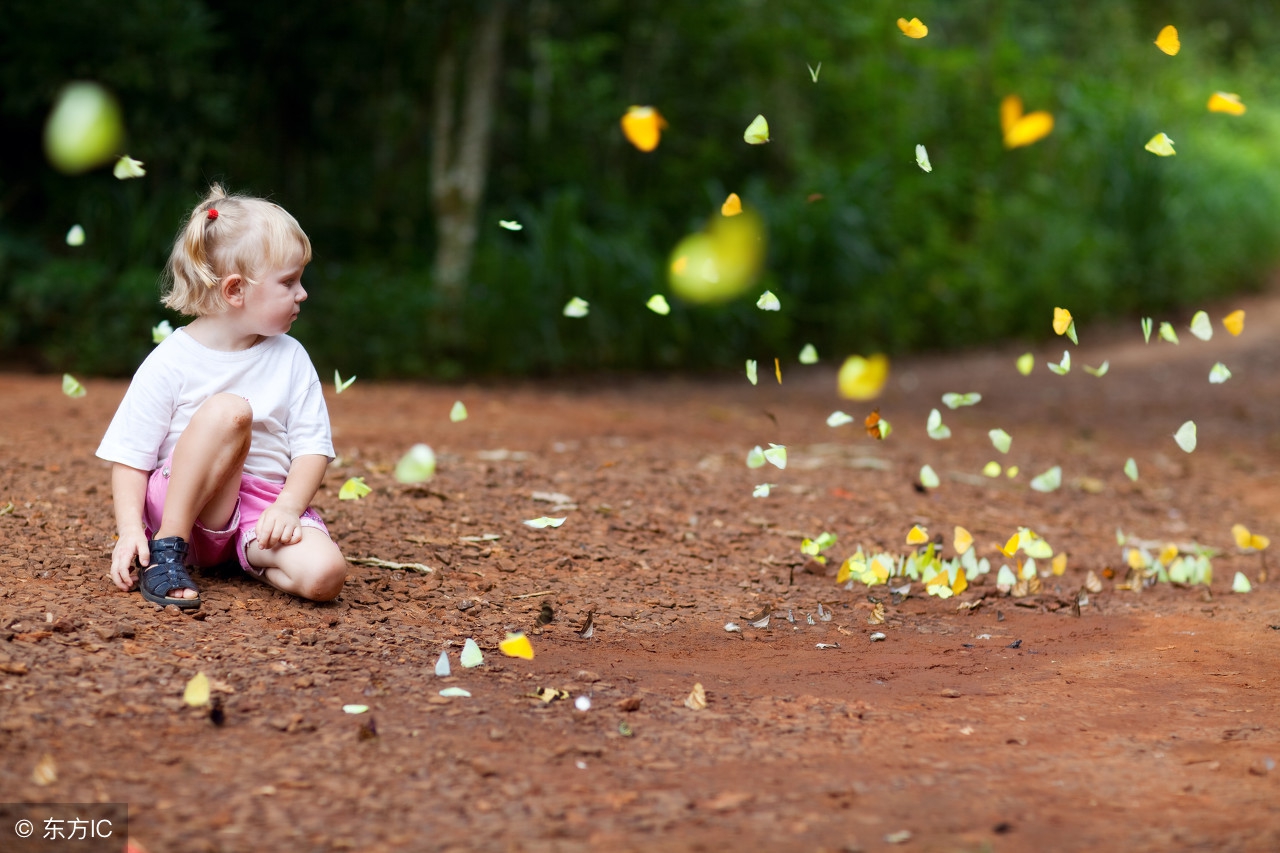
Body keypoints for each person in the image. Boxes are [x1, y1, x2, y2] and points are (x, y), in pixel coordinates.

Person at [97, 184, 347, 609]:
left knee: (326, 575)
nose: (302, 293)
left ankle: (245, 555)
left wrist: (287, 509)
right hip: (185, 507)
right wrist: (129, 530)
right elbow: (131, 455)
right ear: (235, 291)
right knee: (230, 411)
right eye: (289, 282)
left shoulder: (291, 357)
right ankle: (167, 553)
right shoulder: (171, 360)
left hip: (254, 510)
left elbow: (311, 449)